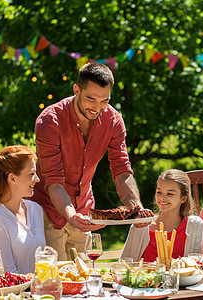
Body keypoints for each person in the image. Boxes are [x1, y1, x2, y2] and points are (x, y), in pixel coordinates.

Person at [31, 62, 144, 260]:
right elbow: (54, 180)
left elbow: (122, 170)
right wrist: (70, 215)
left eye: (104, 101)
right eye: (91, 99)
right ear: (76, 90)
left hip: (84, 210)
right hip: (48, 213)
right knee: (55, 283)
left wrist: (136, 208)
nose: (97, 108)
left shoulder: (113, 120)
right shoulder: (50, 121)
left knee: (83, 282)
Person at [0, 145, 45, 274]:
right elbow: (4, 275)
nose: (37, 179)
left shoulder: (35, 210)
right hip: (14, 293)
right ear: (12, 178)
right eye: (31, 174)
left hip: (41, 292)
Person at [121, 169, 203, 261]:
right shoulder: (140, 226)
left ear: (183, 198)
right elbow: (125, 262)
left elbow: (196, 263)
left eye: (170, 194)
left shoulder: (195, 225)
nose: (162, 198)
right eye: (159, 192)